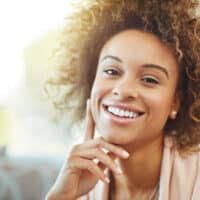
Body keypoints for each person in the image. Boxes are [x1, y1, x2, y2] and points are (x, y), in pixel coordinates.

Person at [45, 0, 200, 199]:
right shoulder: (78, 177)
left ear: (175, 103)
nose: (123, 90)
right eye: (111, 71)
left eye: (149, 79)